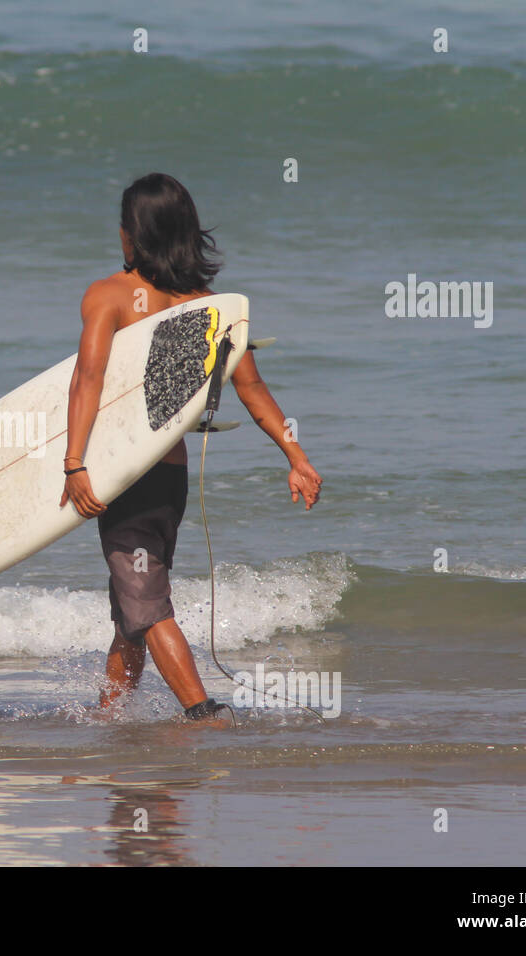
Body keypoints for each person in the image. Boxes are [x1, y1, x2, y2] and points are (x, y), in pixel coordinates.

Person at [59, 173, 322, 728]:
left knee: (148, 607)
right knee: (132, 608)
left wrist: (74, 463)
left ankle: (204, 714)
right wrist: (295, 455)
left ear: (134, 234)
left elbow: (87, 378)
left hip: (122, 479)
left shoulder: (108, 296)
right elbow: (251, 388)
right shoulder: (210, 307)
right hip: (168, 483)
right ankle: (109, 719)